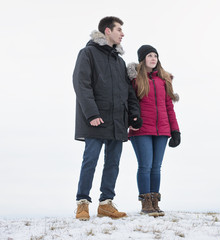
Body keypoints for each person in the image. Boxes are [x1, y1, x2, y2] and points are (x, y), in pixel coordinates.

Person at [72, 16, 142, 221]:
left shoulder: (119, 61)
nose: (123, 33)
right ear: (107, 31)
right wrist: (92, 113)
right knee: (90, 161)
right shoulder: (88, 54)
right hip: (96, 118)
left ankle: (106, 204)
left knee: (113, 163)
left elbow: (128, 92)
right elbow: (81, 84)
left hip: (117, 121)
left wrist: (133, 116)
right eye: (119, 29)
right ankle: (82, 203)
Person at [127, 45, 181, 217]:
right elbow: (130, 103)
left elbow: (169, 107)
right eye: (149, 55)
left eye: (155, 56)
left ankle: (155, 202)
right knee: (145, 166)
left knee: (156, 167)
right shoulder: (135, 80)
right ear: (143, 59)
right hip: (142, 129)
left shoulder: (163, 80)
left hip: (162, 130)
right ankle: (146, 203)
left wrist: (175, 131)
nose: (153, 58)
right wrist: (132, 120)